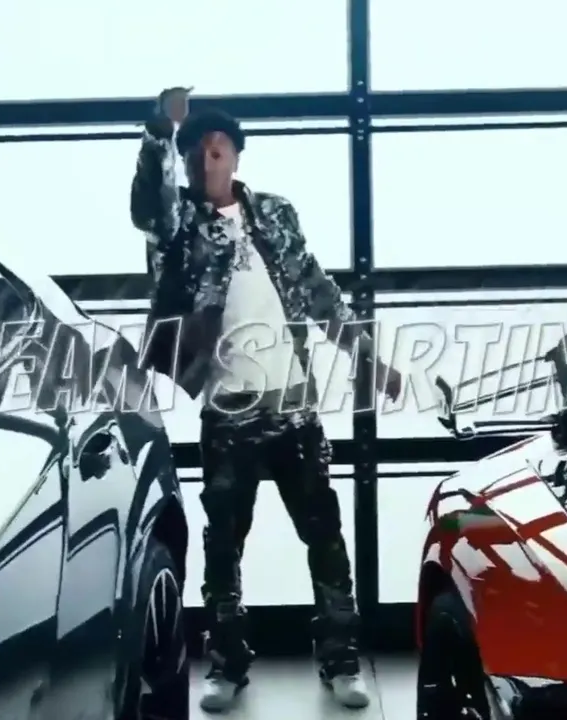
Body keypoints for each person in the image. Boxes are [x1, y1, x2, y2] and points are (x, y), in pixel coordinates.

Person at [130, 87, 404, 712]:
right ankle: (227, 665)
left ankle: (340, 658)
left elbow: (320, 292)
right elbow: (149, 203)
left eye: (215, 153)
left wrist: (367, 356)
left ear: (235, 156)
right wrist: (158, 131)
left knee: (324, 536)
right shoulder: (178, 227)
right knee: (224, 546)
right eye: (194, 156)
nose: (205, 164)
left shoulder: (276, 216)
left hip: (295, 409)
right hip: (228, 413)